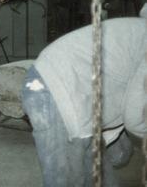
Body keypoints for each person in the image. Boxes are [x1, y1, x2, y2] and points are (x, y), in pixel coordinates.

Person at [22, 14, 147, 187]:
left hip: (75, 96)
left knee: (110, 167)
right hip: (55, 90)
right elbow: (134, 116)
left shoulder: (139, 29)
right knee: (66, 180)